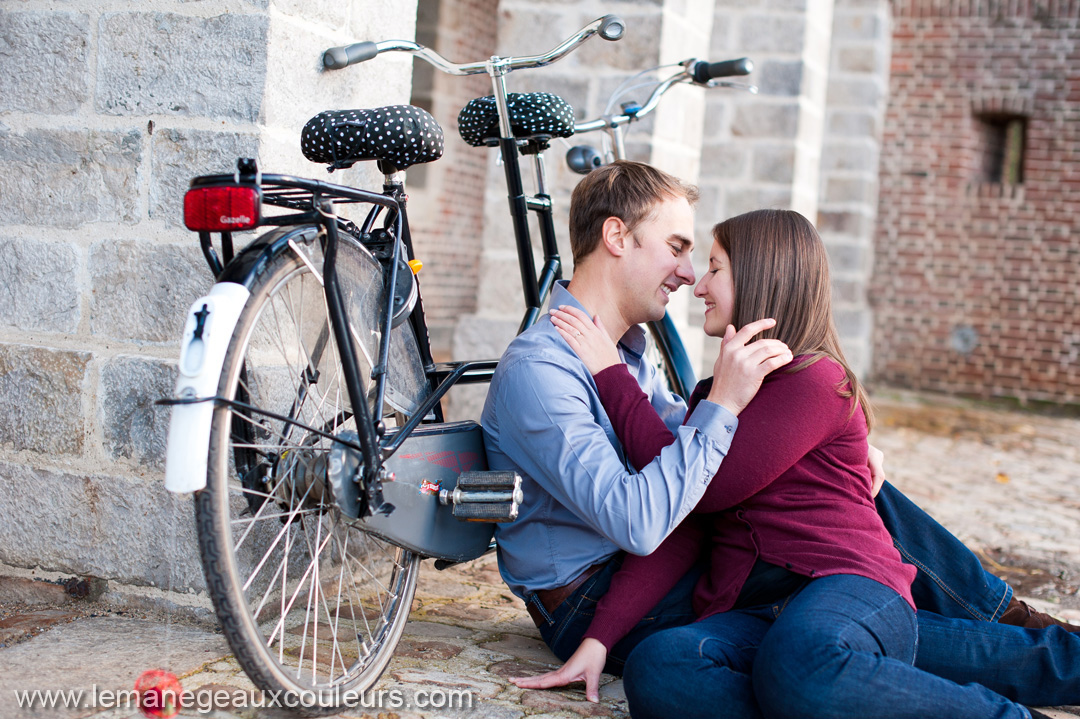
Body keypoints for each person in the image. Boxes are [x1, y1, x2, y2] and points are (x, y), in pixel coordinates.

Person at [480, 161, 1078, 708]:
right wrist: (736, 413)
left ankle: (1024, 637)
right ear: (617, 237)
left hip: (681, 564)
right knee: (805, 631)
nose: (690, 277)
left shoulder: (631, 357)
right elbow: (666, 507)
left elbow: (691, 469)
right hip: (606, 587)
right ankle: (1025, 638)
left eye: (706, 262)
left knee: (838, 560)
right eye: (678, 248)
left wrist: (826, 441)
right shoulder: (549, 367)